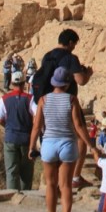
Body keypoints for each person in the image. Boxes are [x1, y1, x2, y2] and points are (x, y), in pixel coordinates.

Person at [28, 66, 94, 212]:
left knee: (50, 184)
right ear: (66, 84)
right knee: (65, 185)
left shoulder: (43, 100)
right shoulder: (72, 99)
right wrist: (91, 145)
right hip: (67, 144)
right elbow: (78, 126)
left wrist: (31, 147)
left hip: (49, 144)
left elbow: (37, 126)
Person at [33, 29, 92, 191]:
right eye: (74, 44)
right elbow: (80, 81)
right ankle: (74, 177)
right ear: (71, 42)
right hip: (67, 101)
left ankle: (52, 182)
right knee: (80, 138)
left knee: (52, 137)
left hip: (48, 101)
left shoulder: (48, 55)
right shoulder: (70, 58)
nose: (74, 47)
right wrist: (88, 74)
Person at [0, 71, 37, 190]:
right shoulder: (29, 99)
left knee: (11, 171)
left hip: (10, 138)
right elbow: (37, 115)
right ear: (23, 84)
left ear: (12, 83)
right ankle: (26, 198)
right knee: (26, 173)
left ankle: (11, 196)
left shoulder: (4, 99)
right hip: (26, 139)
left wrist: (7, 126)